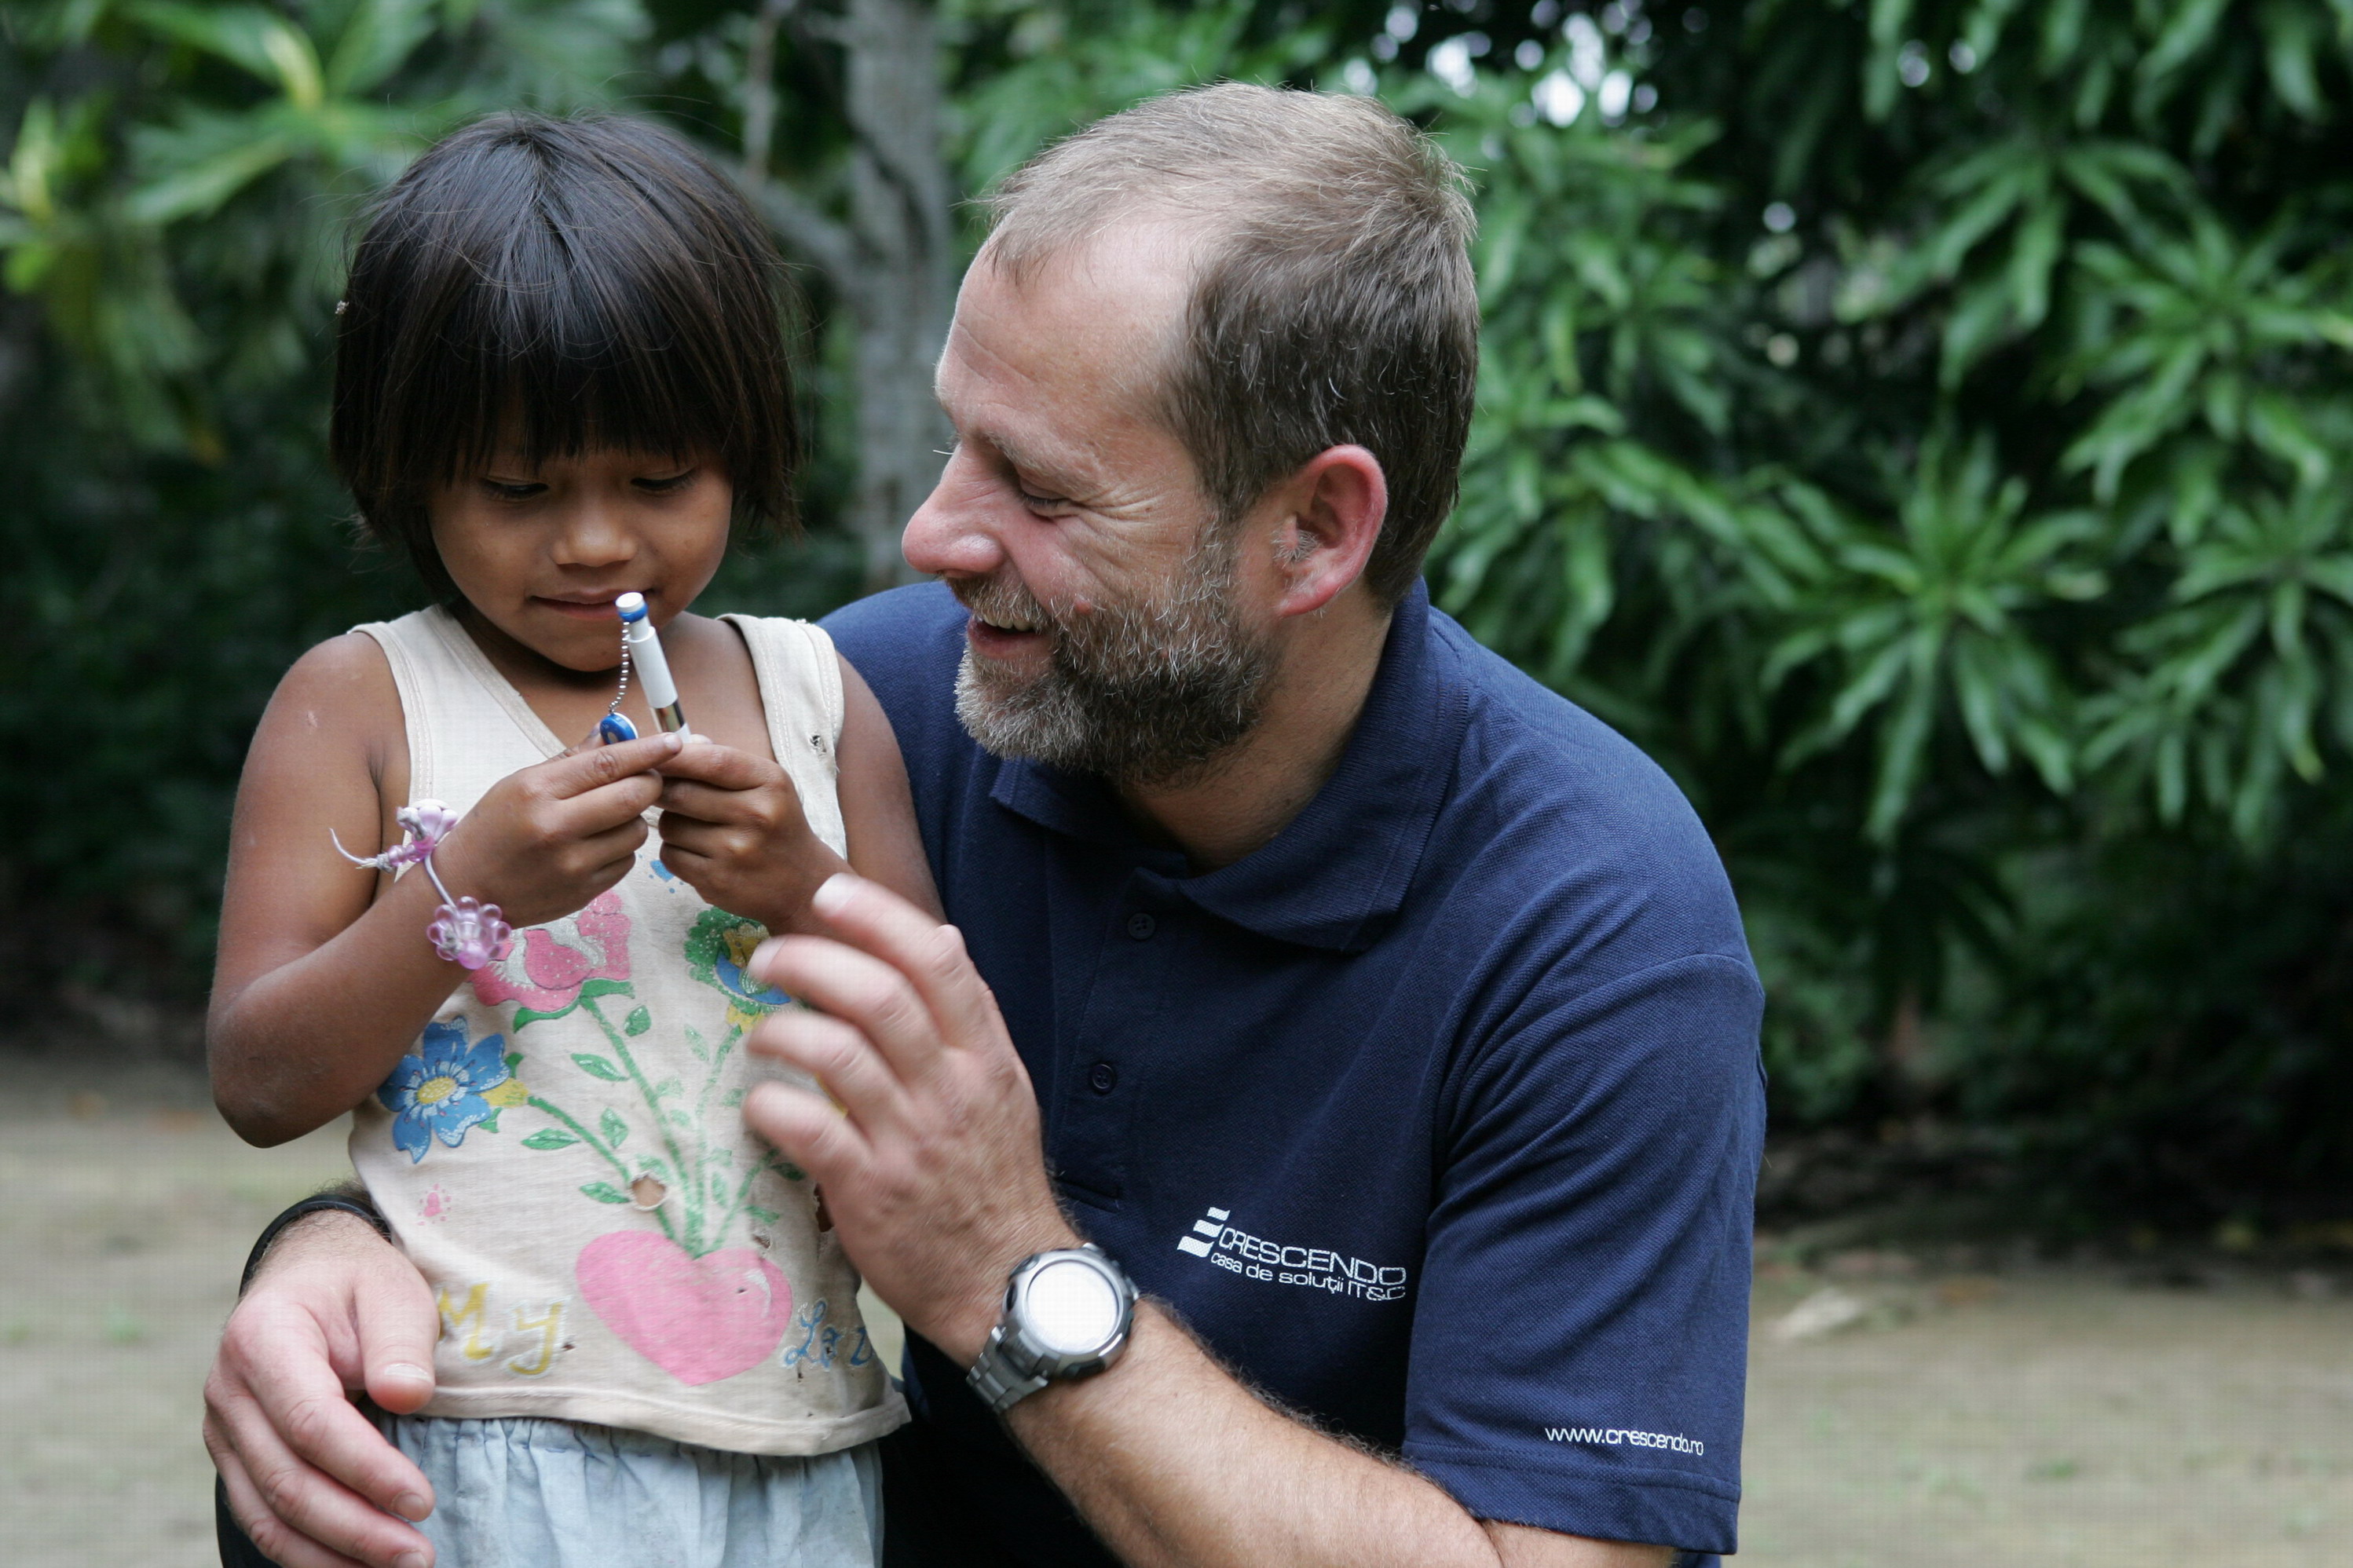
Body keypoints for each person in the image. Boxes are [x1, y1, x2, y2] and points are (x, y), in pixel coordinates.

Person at [207, 86, 1765, 1568]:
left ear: (1313, 529)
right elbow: (590, 1071)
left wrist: (1011, 1278)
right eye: (959, 438)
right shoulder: (891, 700)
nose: (930, 534)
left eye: (1038, 485)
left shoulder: (1600, 930)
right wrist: (335, 1247)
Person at [205, 112, 934, 1568]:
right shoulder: (363, 704)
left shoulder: (812, 699)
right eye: (522, 491)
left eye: (660, 481)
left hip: (803, 1442)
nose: (598, 543)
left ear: (744, 446)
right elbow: (260, 1078)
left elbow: (938, 1042)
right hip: (480, 1442)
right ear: (408, 470)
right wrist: (460, 890)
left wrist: (799, 883)